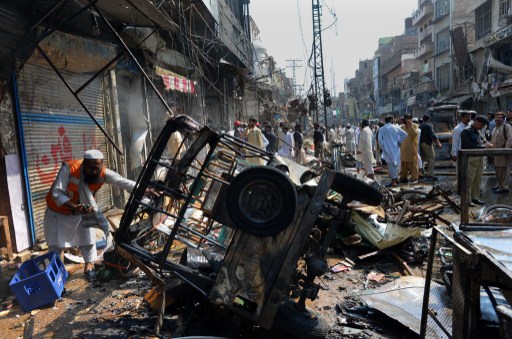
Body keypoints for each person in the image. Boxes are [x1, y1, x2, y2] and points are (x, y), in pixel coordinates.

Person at [44, 150, 145, 281]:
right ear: (84, 164)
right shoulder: (69, 168)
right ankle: (55, 275)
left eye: (97, 168)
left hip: (82, 212)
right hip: (58, 213)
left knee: (87, 240)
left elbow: (122, 182)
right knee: (55, 245)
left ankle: (89, 267)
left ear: (101, 165)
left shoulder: (103, 173)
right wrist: (74, 207)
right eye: (90, 168)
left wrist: (145, 190)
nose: (94, 172)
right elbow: (57, 192)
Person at [461, 115, 493, 205]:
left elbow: (480, 141)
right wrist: (484, 146)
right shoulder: (466, 131)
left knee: (477, 179)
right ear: (477, 122)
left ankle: (475, 197)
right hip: (471, 158)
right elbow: (468, 146)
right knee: (469, 179)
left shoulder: (477, 131)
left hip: (479, 157)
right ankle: (467, 199)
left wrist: (486, 143)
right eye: (481, 125)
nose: (482, 127)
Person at [378, 115, 407, 186]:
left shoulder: (382, 129)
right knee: (395, 164)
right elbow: (405, 134)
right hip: (396, 148)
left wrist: (383, 147)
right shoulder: (396, 127)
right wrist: (399, 142)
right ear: (391, 120)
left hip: (387, 149)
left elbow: (379, 140)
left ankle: (394, 181)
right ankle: (395, 179)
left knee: (391, 165)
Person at [491, 112, 512, 193]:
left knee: (504, 170)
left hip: (503, 153)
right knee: (498, 170)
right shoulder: (495, 128)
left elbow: (510, 139)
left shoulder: (507, 127)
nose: (497, 119)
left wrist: (506, 150)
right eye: (496, 117)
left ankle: (503, 187)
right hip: (496, 153)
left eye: (499, 117)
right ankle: (499, 185)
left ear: (503, 118)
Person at [419, 114, 442, 179]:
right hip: (427, 144)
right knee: (432, 157)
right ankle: (430, 173)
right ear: (428, 120)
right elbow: (433, 136)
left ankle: (422, 173)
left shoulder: (420, 126)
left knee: (422, 159)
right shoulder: (429, 126)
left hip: (420, 144)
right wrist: (438, 143)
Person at [399, 114, 419, 183]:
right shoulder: (402, 127)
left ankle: (414, 177)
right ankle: (404, 177)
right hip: (403, 148)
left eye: (409, 119)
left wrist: (411, 127)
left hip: (412, 147)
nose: (408, 120)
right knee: (404, 164)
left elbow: (414, 135)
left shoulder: (415, 126)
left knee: (413, 163)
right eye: (407, 119)